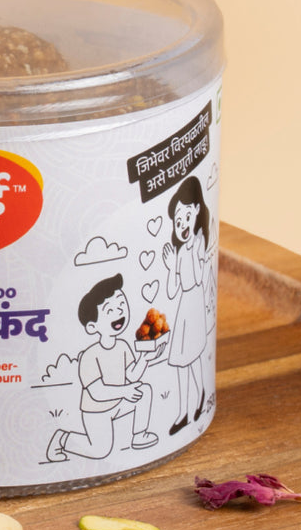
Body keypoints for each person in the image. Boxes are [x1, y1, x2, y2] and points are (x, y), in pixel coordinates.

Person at [47, 273, 159, 462]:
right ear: (92, 327)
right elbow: (97, 392)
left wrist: (145, 358)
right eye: (110, 310)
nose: (119, 312)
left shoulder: (122, 345)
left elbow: (131, 375)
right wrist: (125, 391)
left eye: (122, 305)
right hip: (96, 410)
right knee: (99, 451)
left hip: (118, 401)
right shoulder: (90, 356)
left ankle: (139, 435)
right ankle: (63, 438)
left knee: (144, 391)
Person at [160, 176, 212, 434]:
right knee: (181, 361)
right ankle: (181, 413)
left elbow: (200, 278)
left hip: (193, 303)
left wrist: (195, 252)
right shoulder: (179, 252)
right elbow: (172, 290)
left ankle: (201, 395)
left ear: (197, 212)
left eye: (186, 218)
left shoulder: (199, 243)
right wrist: (171, 268)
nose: (182, 225)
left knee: (194, 357)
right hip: (182, 307)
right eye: (177, 221)